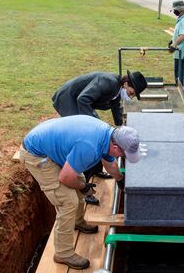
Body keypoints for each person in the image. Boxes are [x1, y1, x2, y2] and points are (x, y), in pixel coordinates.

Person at [20, 116, 140, 270]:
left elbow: (109, 163)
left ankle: (77, 221)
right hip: (37, 154)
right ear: (116, 146)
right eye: (123, 155)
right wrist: (84, 188)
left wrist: (120, 180)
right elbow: (66, 177)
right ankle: (63, 253)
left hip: (52, 147)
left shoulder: (108, 136)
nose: (122, 157)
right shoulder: (89, 146)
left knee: (79, 180)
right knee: (68, 201)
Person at [52, 70, 147, 204]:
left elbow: (115, 108)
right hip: (68, 100)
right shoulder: (108, 83)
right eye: (132, 93)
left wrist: (121, 128)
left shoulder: (116, 90)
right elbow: (83, 99)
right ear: (126, 84)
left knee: (99, 138)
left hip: (80, 102)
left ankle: (97, 170)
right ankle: (85, 188)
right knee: (90, 141)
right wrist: (93, 124)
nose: (130, 97)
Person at [168, 0, 184, 90]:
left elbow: (183, 35)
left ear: (181, 10)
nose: (174, 12)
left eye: (175, 10)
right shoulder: (182, 19)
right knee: (183, 70)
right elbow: (178, 33)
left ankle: (179, 90)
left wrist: (174, 44)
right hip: (180, 50)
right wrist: (172, 41)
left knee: (179, 72)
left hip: (181, 50)